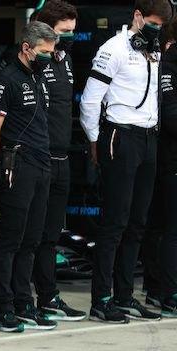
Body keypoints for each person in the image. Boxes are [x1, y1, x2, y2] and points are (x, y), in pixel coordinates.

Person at [79, 0, 171, 323]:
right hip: (120, 136)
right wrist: (94, 140)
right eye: (154, 23)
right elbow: (90, 99)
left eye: (162, 25)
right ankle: (101, 298)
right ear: (138, 16)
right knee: (115, 221)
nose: (157, 29)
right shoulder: (112, 48)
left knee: (138, 222)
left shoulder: (156, 51)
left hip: (149, 139)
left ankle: (124, 294)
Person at [0, 21, 58, 332]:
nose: (49, 57)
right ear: (27, 48)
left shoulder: (39, 77)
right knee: (11, 239)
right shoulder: (7, 79)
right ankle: (3, 309)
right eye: (44, 52)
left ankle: (23, 302)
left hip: (43, 163)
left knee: (32, 239)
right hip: (18, 164)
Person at [31, 0, 87, 321]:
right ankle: (16, 301)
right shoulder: (29, 60)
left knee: (51, 235)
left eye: (72, 32)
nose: (69, 37)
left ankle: (49, 297)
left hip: (62, 157)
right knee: (29, 236)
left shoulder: (64, 59)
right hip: (36, 159)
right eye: (64, 32)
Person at [159, 17, 177, 318]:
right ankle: (169, 292)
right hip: (172, 157)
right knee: (172, 230)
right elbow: (171, 114)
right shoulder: (171, 59)